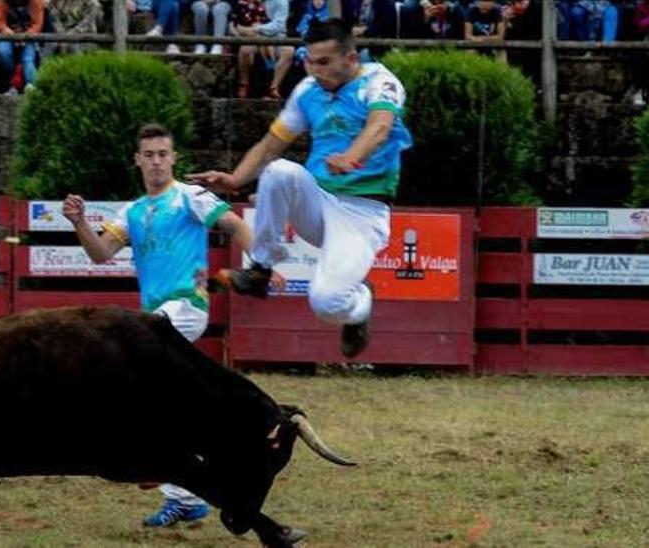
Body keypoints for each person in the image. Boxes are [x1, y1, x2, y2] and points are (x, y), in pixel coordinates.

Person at [61, 123, 279, 528]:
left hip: (186, 308)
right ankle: (183, 493)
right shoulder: (132, 211)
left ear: (174, 158)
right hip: (154, 320)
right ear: (138, 160)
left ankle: (158, 462)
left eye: (164, 154)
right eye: (150, 154)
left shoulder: (190, 196)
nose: (158, 161)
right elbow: (99, 253)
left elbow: (235, 226)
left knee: (139, 384)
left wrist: (261, 266)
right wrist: (79, 222)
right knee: (164, 401)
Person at [189, 18, 413, 359]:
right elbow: (271, 144)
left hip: (362, 214)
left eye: (324, 62)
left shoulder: (380, 82)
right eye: (309, 61)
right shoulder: (308, 90)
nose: (315, 69)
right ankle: (260, 270)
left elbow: (379, 127)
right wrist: (235, 179)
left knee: (326, 304)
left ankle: (361, 301)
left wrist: (352, 156)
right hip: (319, 202)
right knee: (279, 171)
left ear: (351, 59)